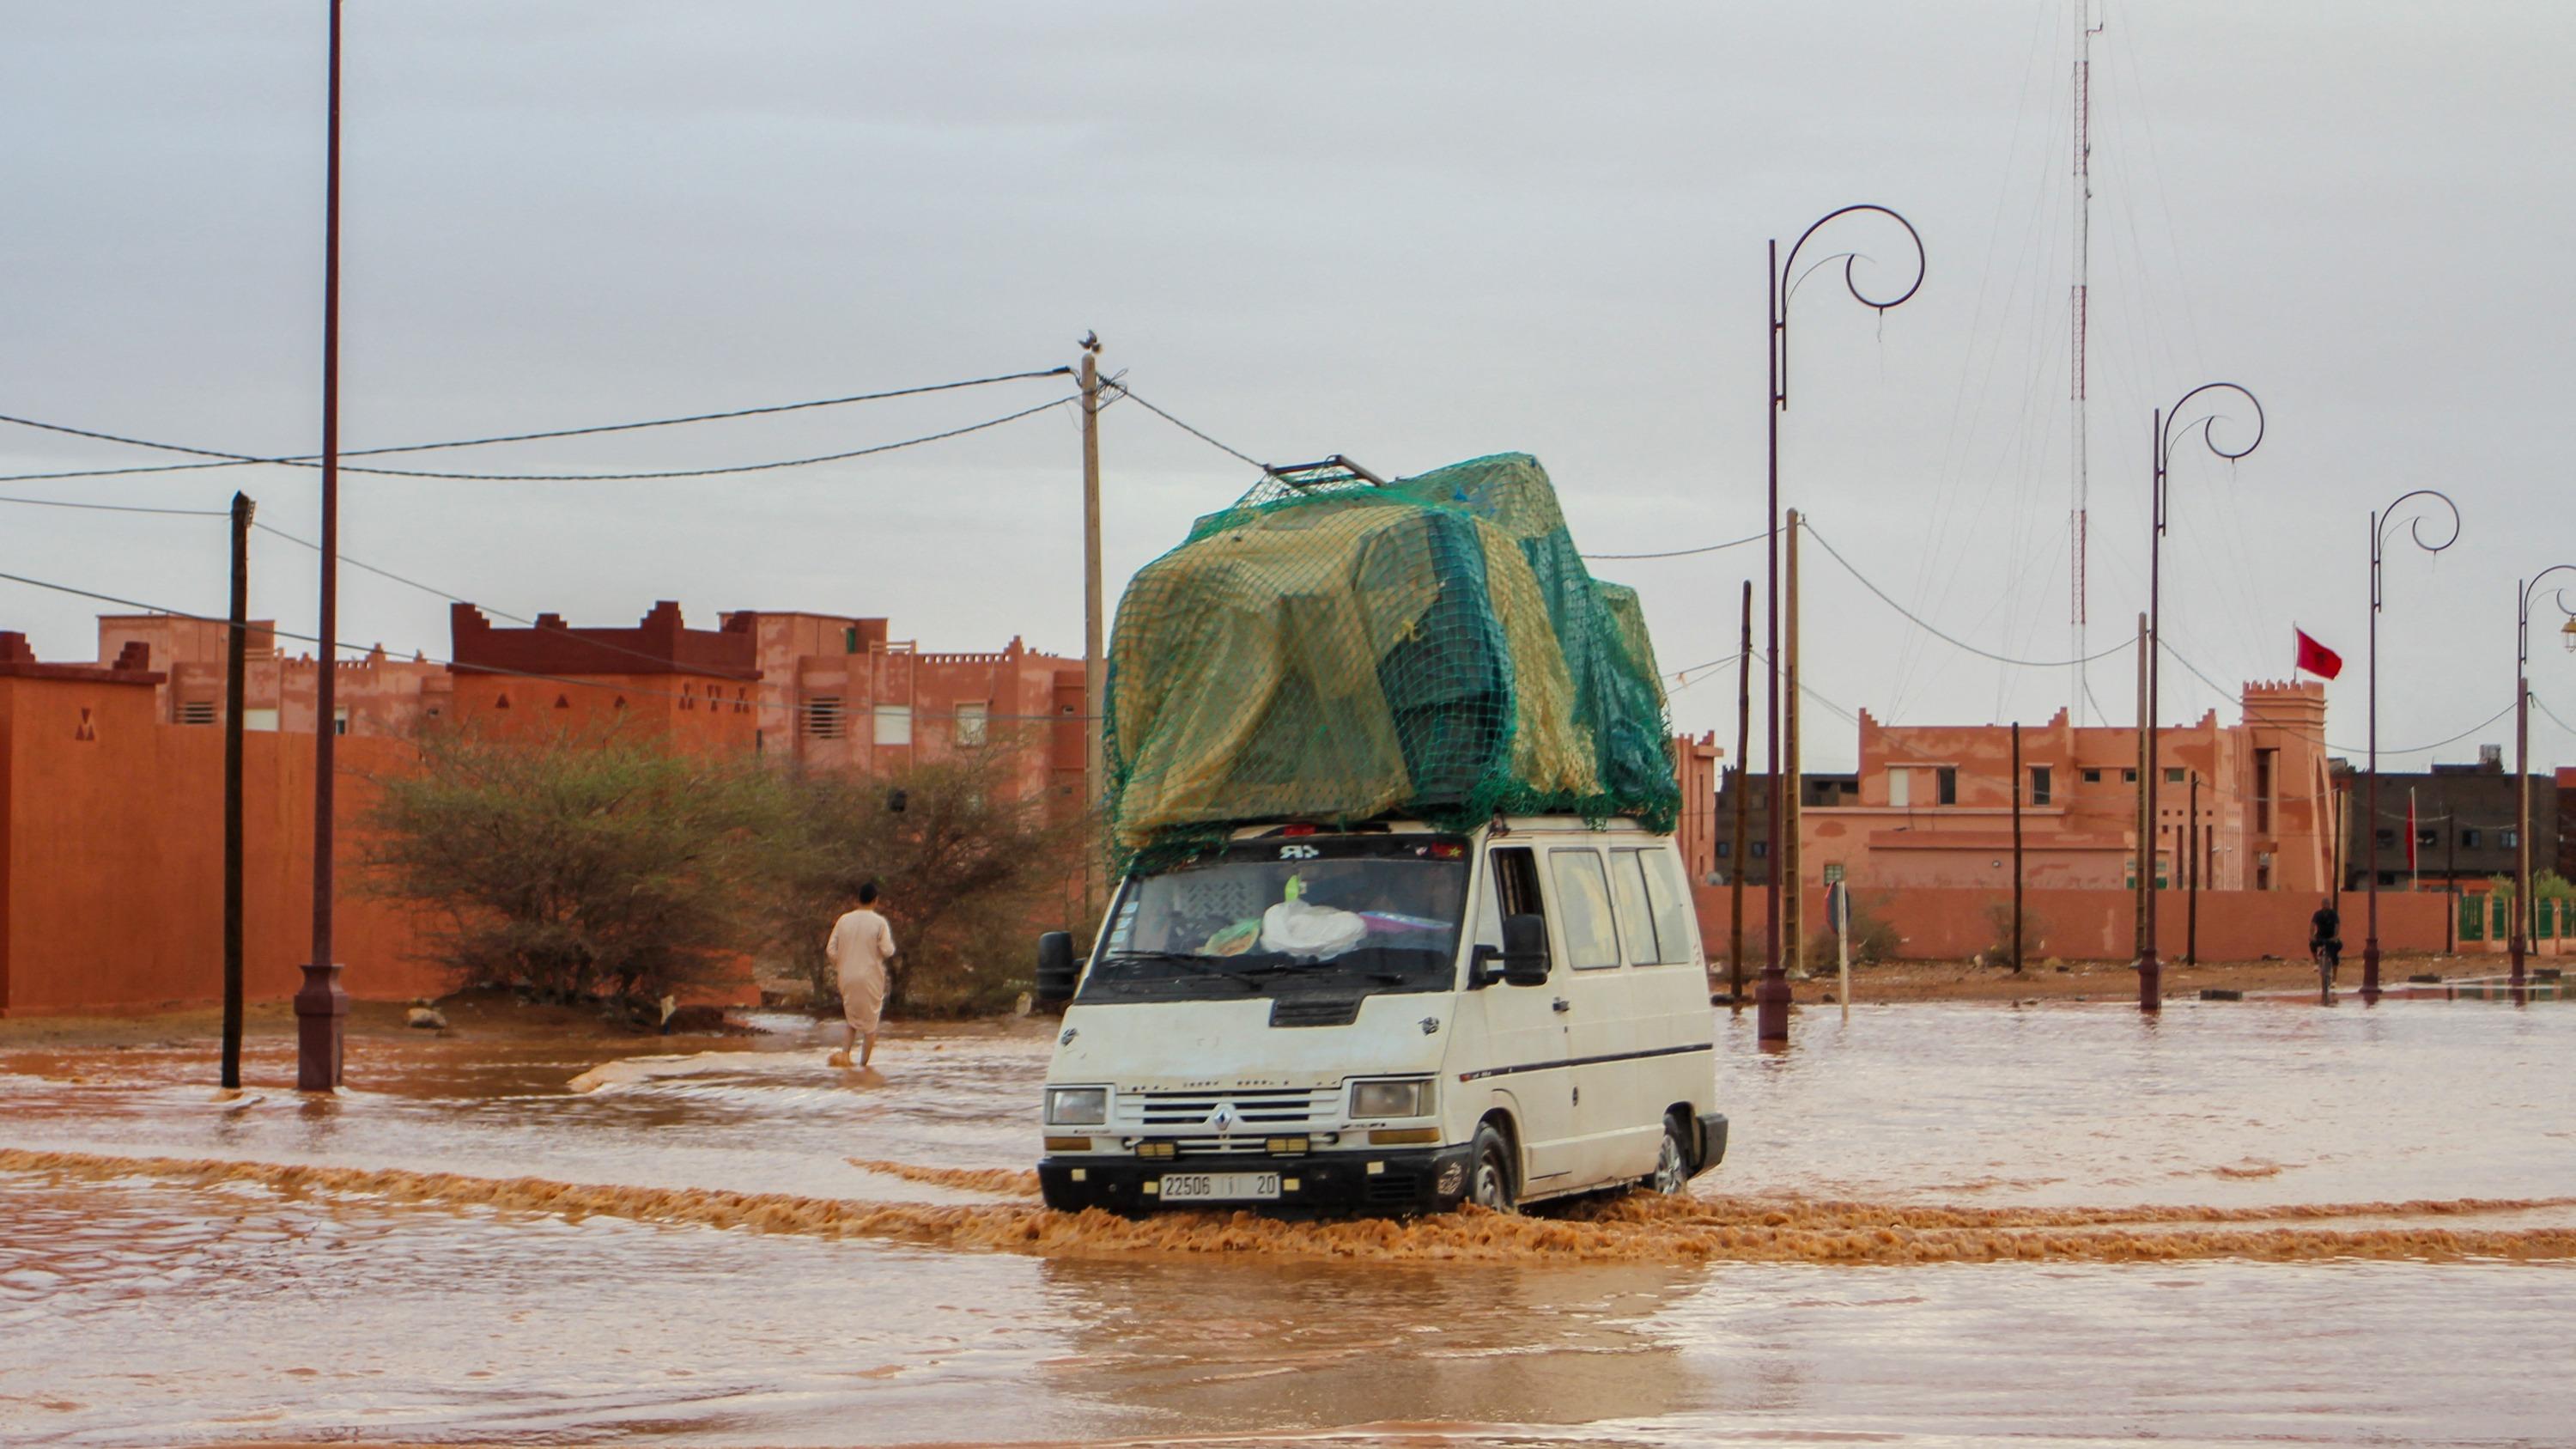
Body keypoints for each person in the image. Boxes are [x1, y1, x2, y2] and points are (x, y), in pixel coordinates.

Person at [825, 882, 897, 1069]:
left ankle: (845, 1058)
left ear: (858, 899)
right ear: (875, 900)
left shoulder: (843, 920)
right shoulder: (879, 923)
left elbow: (830, 949)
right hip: (870, 977)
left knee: (852, 1020)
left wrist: (842, 962)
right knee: (870, 1025)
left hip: (846, 976)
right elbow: (887, 950)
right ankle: (863, 1067)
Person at [2309, 897, 2342, 978]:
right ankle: (2316, 962)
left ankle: (2334, 978)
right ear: (2322, 905)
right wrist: (2312, 936)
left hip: (2331, 938)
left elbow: (2337, 926)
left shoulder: (2333, 914)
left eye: (2328, 904)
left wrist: (2335, 936)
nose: (2326, 906)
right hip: (2320, 936)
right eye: (2325, 904)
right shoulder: (2317, 914)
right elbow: (2312, 925)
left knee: (2335, 955)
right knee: (2312, 944)